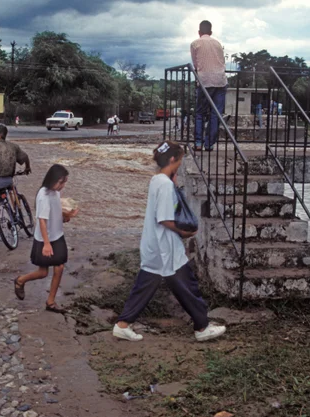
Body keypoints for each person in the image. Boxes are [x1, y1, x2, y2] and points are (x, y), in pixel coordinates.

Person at [112, 141, 226, 342]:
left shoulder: (157, 180)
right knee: (187, 286)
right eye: (180, 160)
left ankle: (123, 325)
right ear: (173, 159)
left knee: (146, 286)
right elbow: (164, 219)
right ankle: (202, 327)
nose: (181, 164)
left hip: (154, 245)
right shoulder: (164, 184)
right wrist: (183, 232)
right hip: (165, 246)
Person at [13, 164, 78, 313]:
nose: (63, 185)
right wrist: (46, 244)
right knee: (43, 272)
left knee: (59, 267)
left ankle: (50, 302)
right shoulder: (43, 195)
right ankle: (20, 280)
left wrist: (66, 217)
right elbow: (42, 221)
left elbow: (55, 214)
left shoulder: (55, 193)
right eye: (61, 182)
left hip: (57, 235)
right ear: (52, 180)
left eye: (65, 182)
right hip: (45, 239)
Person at [191, 20, 228, 152]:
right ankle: (209, 144)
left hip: (204, 81)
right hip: (220, 80)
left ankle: (198, 143)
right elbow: (222, 62)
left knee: (200, 113)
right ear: (211, 32)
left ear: (199, 32)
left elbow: (195, 64)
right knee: (215, 114)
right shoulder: (218, 44)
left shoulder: (195, 44)